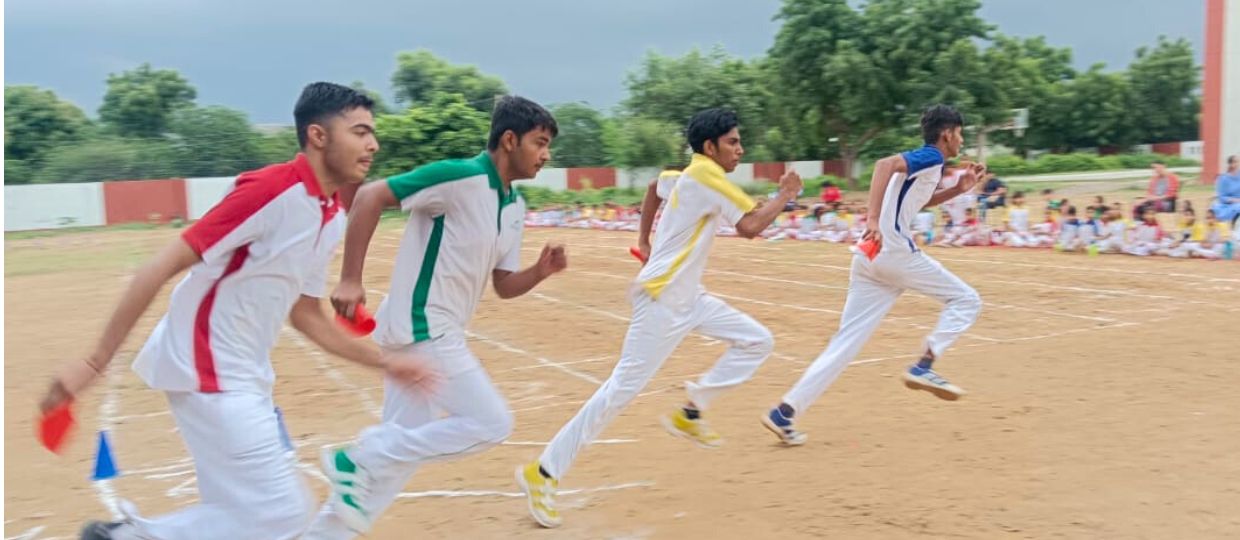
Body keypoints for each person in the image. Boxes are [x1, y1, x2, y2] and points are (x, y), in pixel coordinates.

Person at [51, 83, 436, 540]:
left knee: (239, 515)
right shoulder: (271, 190)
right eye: (360, 132)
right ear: (318, 135)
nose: (373, 144)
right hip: (206, 366)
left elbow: (307, 315)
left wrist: (386, 362)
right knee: (282, 514)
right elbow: (161, 265)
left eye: (372, 133)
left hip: (245, 374)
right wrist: (94, 362)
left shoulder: (330, 214)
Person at [515, 108, 803, 528]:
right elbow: (750, 226)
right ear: (710, 147)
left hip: (689, 298)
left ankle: (692, 411)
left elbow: (654, 187)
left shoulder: (687, 175)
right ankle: (542, 472)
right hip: (663, 299)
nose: (741, 149)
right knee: (619, 390)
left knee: (757, 341)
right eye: (733, 142)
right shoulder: (707, 178)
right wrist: (785, 194)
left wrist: (644, 239)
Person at [308, 96, 567, 537]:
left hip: (429, 333)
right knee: (491, 423)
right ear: (509, 140)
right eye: (539, 143)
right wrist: (350, 278)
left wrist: (539, 272)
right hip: (424, 326)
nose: (546, 155)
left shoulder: (514, 207)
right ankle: (360, 455)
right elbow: (370, 196)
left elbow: (504, 285)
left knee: (398, 454)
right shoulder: (459, 177)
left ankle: (328, 528)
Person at [762, 104, 984, 446]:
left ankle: (785, 412)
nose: (962, 140)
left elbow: (916, 203)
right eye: (960, 133)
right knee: (967, 300)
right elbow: (883, 165)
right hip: (893, 251)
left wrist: (959, 189)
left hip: (870, 259)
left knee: (845, 344)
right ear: (946, 134)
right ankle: (924, 365)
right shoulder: (931, 156)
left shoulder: (927, 164)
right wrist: (872, 220)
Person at [1211, 155, 1240, 226]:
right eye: (1235, 162)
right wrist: (1235, 200)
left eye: (1238, 162)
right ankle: (1234, 227)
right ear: (1230, 164)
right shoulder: (1223, 178)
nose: (1237, 164)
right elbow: (1221, 197)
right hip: (1227, 205)